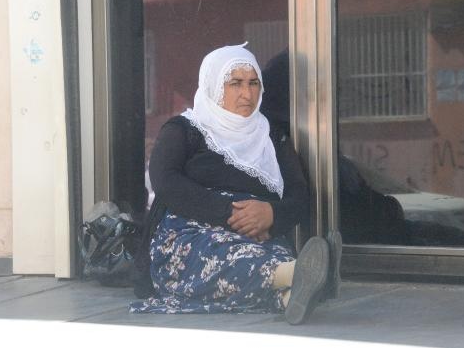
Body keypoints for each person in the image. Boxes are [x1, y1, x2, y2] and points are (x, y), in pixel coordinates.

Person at [129, 43, 342, 325]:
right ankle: (299, 274)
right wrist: (231, 212)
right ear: (214, 85)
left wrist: (272, 214)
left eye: (253, 83)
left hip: (257, 234)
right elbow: (165, 182)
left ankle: (291, 296)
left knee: (261, 255)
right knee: (222, 257)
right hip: (188, 234)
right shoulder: (185, 129)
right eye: (235, 83)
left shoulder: (271, 137)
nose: (247, 93)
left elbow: (299, 196)